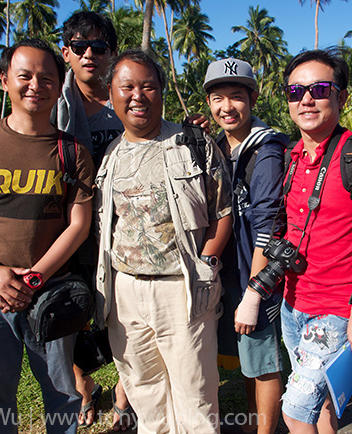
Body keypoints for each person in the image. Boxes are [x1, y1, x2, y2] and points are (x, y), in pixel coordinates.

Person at [0, 12, 131, 429]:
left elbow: (77, 223)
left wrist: (33, 280)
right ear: (6, 80)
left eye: (47, 78)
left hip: (51, 293)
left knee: (62, 397)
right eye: (24, 75)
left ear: (57, 83)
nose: (36, 85)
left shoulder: (71, 151)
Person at [94, 49, 232, 434]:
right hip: (125, 294)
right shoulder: (109, 157)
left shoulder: (194, 144)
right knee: (145, 394)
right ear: (111, 94)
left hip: (183, 289)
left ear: (161, 92)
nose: (138, 95)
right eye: (127, 87)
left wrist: (209, 263)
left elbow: (223, 213)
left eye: (148, 86)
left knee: (196, 396)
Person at [278, 48, 352, 434]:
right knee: (322, 404)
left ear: (341, 97)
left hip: (337, 309)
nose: (306, 99)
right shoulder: (290, 156)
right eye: (295, 91)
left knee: (294, 411)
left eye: (319, 88)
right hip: (292, 304)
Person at [204, 58, 287, 434]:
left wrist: (255, 292)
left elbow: (268, 224)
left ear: (252, 98)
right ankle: (256, 424)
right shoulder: (219, 147)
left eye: (236, 97)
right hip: (233, 269)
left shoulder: (265, 150)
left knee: (262, 359)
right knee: (248, 359)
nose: (227, 107)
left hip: (255, 271)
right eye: (218, 98)